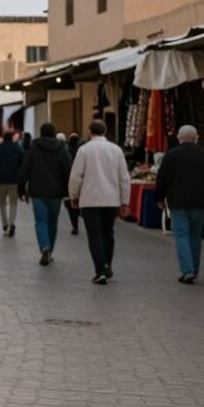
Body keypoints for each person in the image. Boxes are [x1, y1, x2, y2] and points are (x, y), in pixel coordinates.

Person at [155, 125, 204, 283]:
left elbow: (162, 178)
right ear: (196, 138)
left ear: (179, 138)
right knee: (195, 236)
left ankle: (187, 270)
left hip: (178, 203)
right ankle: (195, 269)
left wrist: (159, 198)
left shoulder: (171, 155)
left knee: (181, 235)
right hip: (200, 203)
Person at [68, 120, 131, 285]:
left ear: (90, 132)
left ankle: (99, 270)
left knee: (94, 234)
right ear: (105, 131)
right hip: (111, 199)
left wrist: (73, 196)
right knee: (108, 233)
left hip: (90, 199)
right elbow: (124, 177)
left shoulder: (84, 150)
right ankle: (107, 263)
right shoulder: (116, 150)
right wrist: (125, 200)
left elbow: (76, 176)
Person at [17, 123, 73, 265]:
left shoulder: (33, 148)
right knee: (52, 222)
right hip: (56, 193)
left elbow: (24, 169)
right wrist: (70, 191)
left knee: (41, 221)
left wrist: (21, 189)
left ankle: (44, 247)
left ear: (41, 133)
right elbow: (68, 171)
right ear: (54, 133)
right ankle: (50, 250)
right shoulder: (62, 149)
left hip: (37, 192)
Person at [0, 132, 24, 237]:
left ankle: (5, 224)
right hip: (14, 181)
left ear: (3, 138)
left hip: (1, 180)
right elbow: (23, 165)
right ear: (12, 138)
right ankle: (12, 222)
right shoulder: (18, 149)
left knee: (2, 203)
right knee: (13, 203)